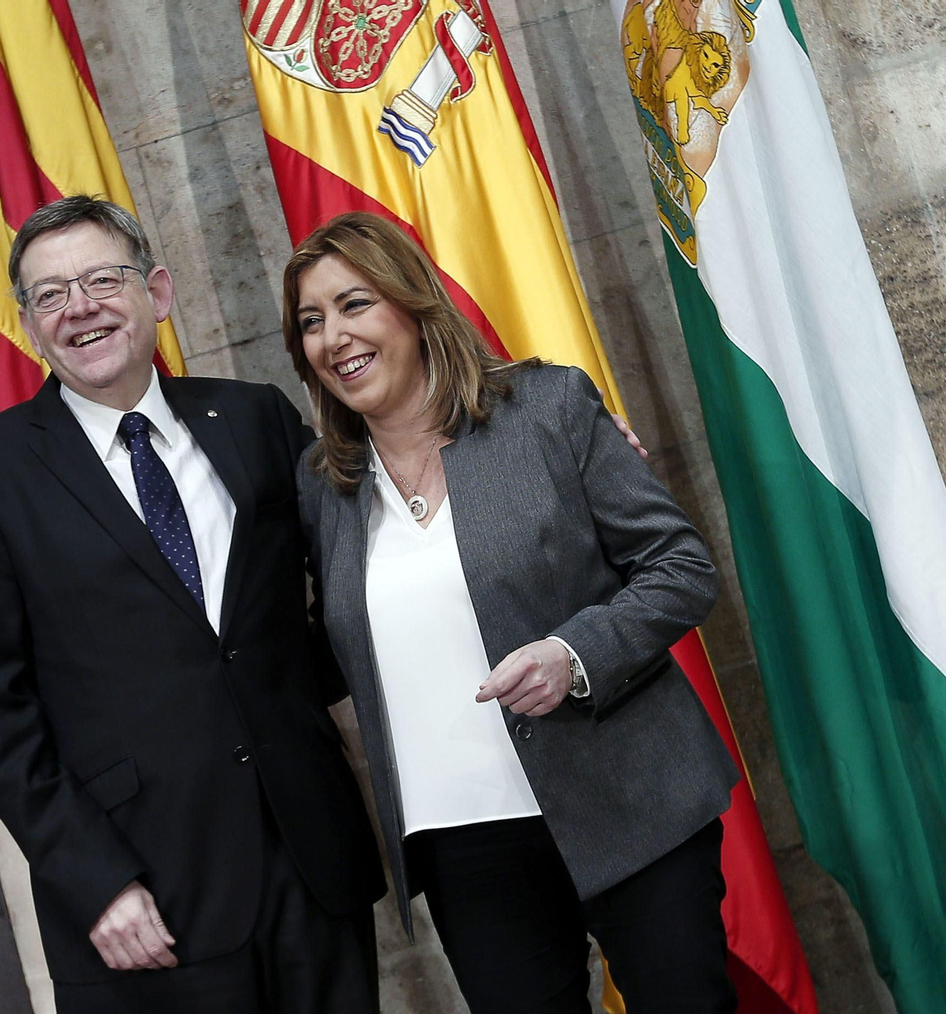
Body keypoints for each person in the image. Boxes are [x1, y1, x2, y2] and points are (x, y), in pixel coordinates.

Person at [0, 196, 387, 1014]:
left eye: (103, 279)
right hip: (144, 905)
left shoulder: (254, 420)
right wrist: (95, 882)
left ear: (157, 293)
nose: (81, 308)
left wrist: (515, 449)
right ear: (28, 325)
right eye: (51, 295)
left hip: (312, 864)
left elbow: (372, 559)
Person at [286, 212, 743, 1014]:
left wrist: (573, 655)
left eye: (354, 304)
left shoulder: (546, 409)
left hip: (627, 797)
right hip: (466, 849)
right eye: (311, 322)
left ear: (411, 303)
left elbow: (681, 568)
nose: (334, 336)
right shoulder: (325, 487)